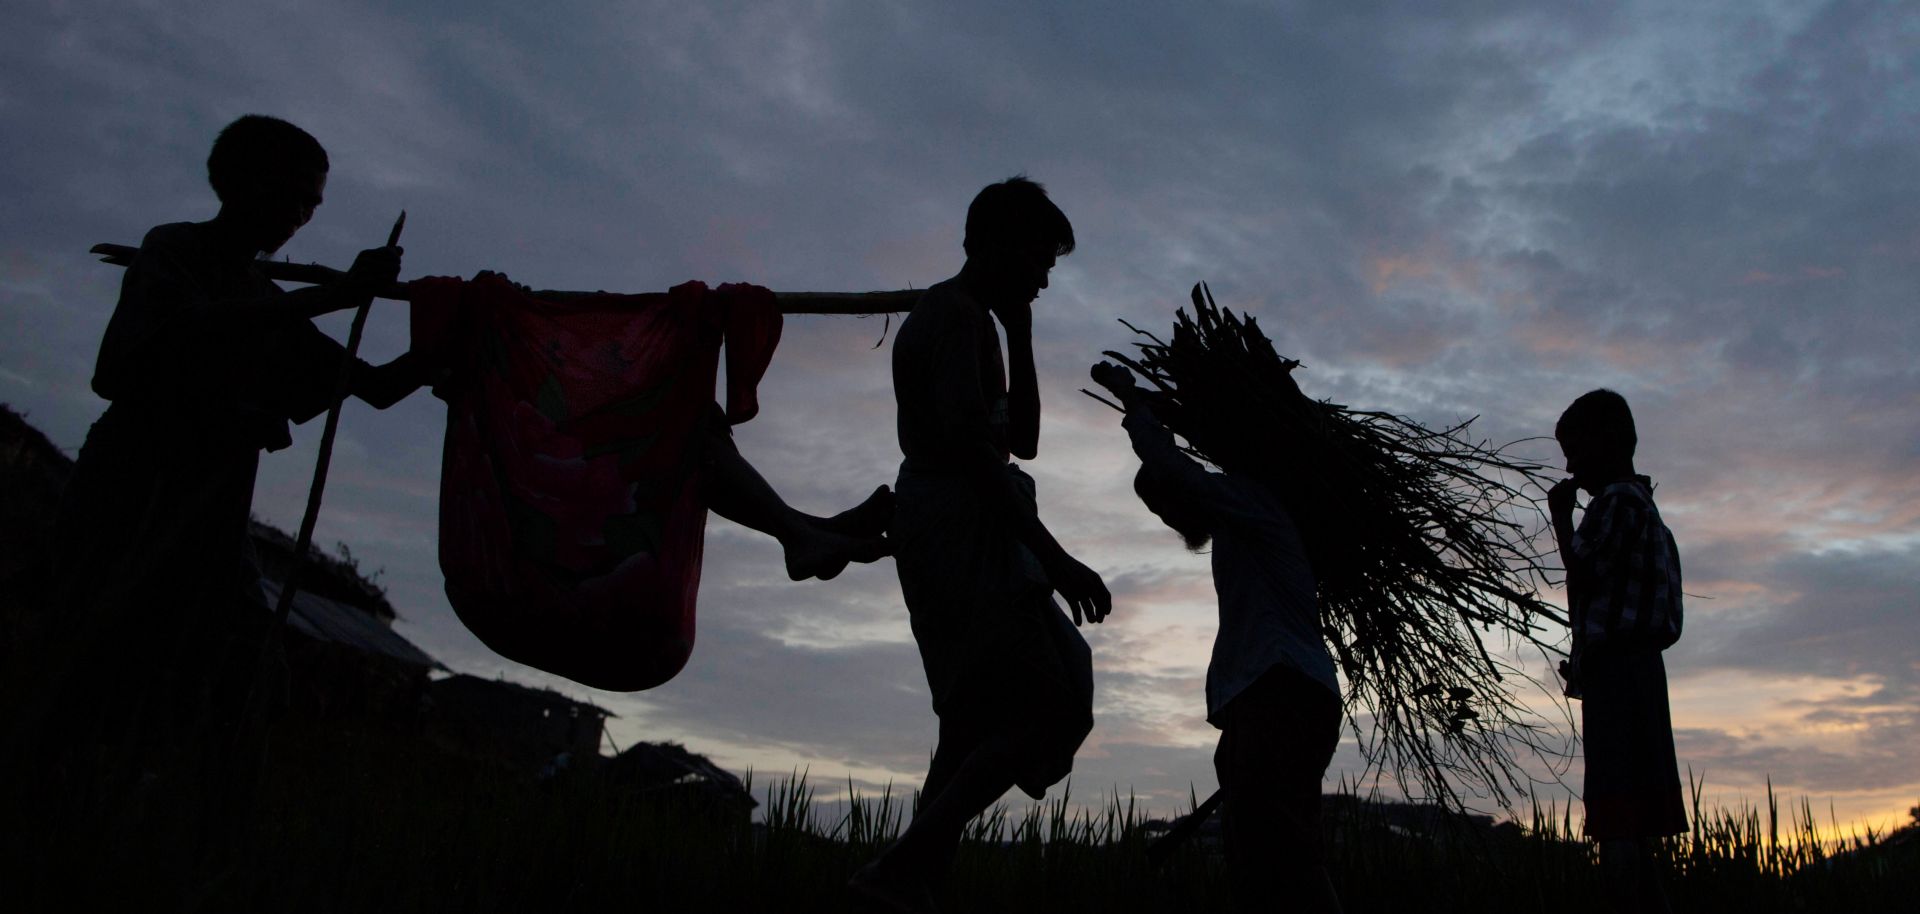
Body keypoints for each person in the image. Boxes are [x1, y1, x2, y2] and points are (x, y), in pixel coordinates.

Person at [5, 114, 425, 901]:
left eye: (313, 203)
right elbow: (125, 364)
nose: (303, 214)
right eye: (291, 195)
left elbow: (372, 386)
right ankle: (48, 826)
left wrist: (460, 329)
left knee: (237, 667)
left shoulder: (268, 295)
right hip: (137, 488)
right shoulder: (177, 252)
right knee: (93, 652)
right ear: (235, 183)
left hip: (215, 507)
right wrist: (330, 297)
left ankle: (192, 841)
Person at [851, 177, 1110, 911]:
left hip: (970, 520)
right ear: (997, 243)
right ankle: (904, 866)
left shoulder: (982, 324)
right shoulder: (954, 317)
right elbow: (976, 457)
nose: (1044, 275)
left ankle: (916, 881)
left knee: (970, 724)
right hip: (958, 525)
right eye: (1038, 257)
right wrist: (1055, 560)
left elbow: (1020, 441)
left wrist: (1023, 333)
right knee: (1045, 704)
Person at [1091, 360, 1344, 914]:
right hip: (1275, 699)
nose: (1166, 515)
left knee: (1289, 859)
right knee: (1265, 859)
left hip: (1282, 694)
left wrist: (1132, 402)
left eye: (1161, 502)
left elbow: (1175, 470)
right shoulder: (1244, 530)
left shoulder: (1250, 504)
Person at [1549, 389, 1686, 914]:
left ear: (1611, 442)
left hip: (1620, 675)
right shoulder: (1641, 505)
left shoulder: (1616, 503)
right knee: (1634, 818)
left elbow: (1582, 574)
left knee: (1616, 817)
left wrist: (1561, 519)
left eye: (1575, 450)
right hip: (1636, 673)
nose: (1569, 466)